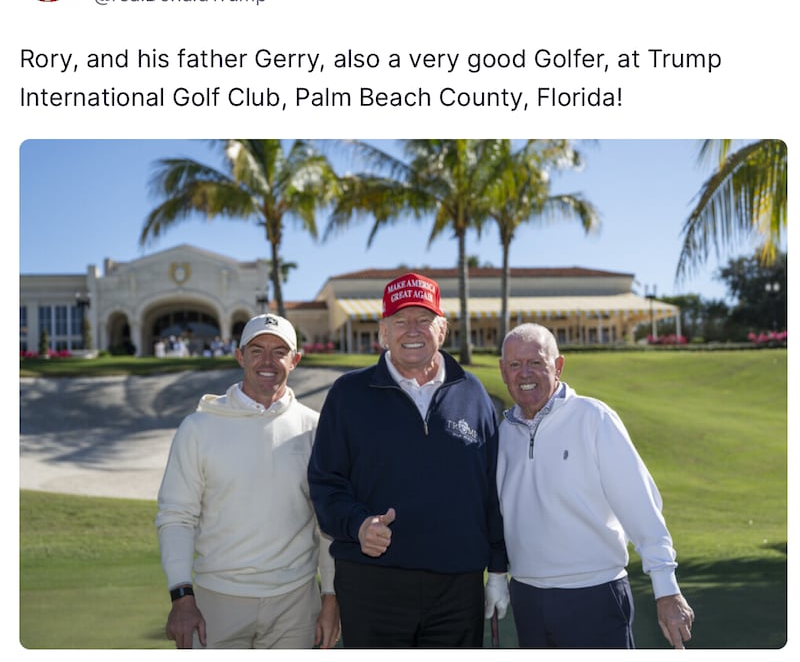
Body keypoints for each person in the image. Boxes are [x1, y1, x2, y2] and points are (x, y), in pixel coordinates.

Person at [308, 272, 509, 648]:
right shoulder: (349, 395)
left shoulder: (473, 393)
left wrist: (497, 567)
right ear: (383, 332)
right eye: (400, 321)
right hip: (372, 584)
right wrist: (358, 524)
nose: (412, 330)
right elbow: (325, 483)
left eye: (424, 319)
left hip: (457, 586)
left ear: (443, 329)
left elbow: (492, 491)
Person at [496, 323, 695, 649]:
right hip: (527, 598)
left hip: (595, 595)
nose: (524, 373)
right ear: (503, 372)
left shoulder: (594, 418)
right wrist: (498, 577)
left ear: (558, 366)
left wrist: (667, 588)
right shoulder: (504, 433)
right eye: (515, 365)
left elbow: (640, 505)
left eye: (535, 363)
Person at [155, 314, 340, 649]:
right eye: (257, 350)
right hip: (216, 603)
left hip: (296, 603)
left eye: (279, 351)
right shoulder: (198, 428)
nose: (267, 361)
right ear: (239, 356)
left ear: (295, 360)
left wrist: (330, 597)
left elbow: (326, 522)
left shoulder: (316, 429)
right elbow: (177, 517)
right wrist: (181, 596)